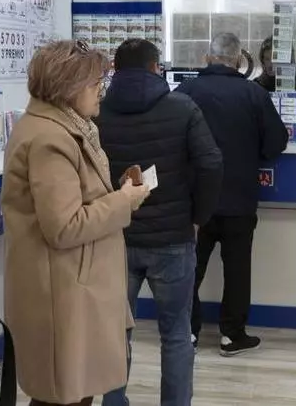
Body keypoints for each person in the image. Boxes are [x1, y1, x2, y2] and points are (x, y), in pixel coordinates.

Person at [3, 40, 153, 406]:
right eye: (95, 83)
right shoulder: (50, 138)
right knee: (64, 396)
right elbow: (65, 226)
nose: (101, 91)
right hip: (63, 293)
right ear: (68, 87)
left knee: (72, 394)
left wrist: (118, 194)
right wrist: (123, 201)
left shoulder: (65, 128)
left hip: (73, 286)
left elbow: (75, 203)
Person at [97, 39, 223, 406]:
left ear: (115, 69)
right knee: (176, 334)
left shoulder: (97, 112)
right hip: (173, 239)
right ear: (156, 68)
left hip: (115, 237)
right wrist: (198, 218)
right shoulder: (182, 107)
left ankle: (113, 402)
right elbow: (211, 163)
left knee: (115, 332)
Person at [177, 33, 290, 356]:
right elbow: (276, 143)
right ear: (239, 60)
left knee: (189, 268)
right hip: (239, 198)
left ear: (207, 57)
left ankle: (188, 332)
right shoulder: (254, 94)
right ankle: (232, 335)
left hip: (195, 201)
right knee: (237, 269)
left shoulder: (184, 93)